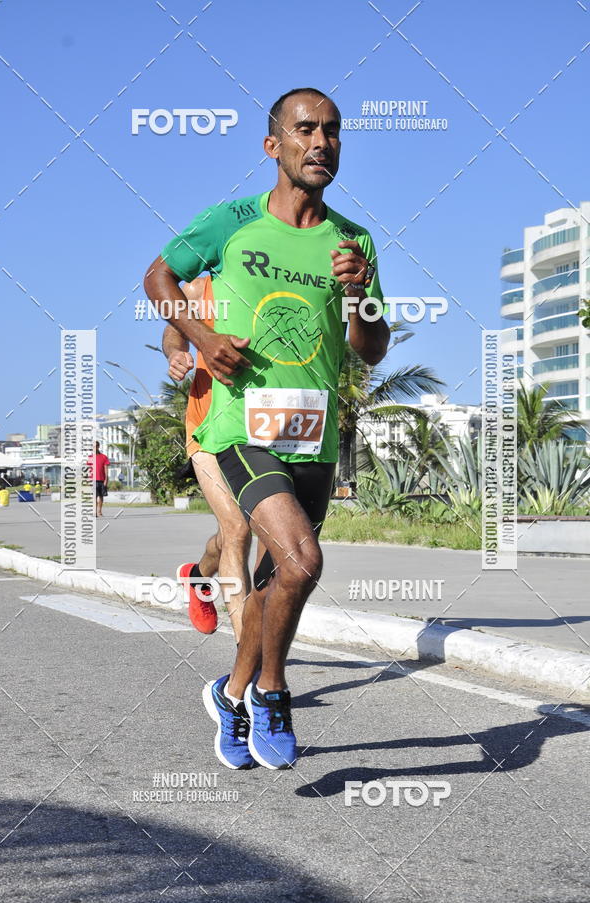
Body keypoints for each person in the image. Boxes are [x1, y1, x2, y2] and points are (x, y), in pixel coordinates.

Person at [145, 87, 389, 770]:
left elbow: (371, 348)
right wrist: (197, 335)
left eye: (332, 132)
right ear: (273, 145)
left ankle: (229, 694)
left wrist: (357, 295)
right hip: (236, 427)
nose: (320, 143)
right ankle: (273, 690)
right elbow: (159, 274)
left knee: (277, 577)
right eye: (305, 130)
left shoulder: (355, 241)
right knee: (304, 559)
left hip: (313, 434)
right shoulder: (232, 222)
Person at [162, 274, 251, 639]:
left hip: (261, 425)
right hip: (207, 423)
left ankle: (198, 578)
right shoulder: (200, 288)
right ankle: (250, 656)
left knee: (232, 531)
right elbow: (173, 330)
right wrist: (175, 354)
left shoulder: (284, 280)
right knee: (237, 529)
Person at [87, 441, 110, 517]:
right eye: (93, 446)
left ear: (98, 446)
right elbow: (88, 469)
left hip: (102, 480)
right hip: (93, 480)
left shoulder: (104, 457)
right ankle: (95, 512)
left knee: (101, 496)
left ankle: (99, 511)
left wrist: (106, 479)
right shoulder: (90, 458)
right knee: (94, 497)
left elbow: (106, 469)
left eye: (96, 446)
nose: (94, 448)